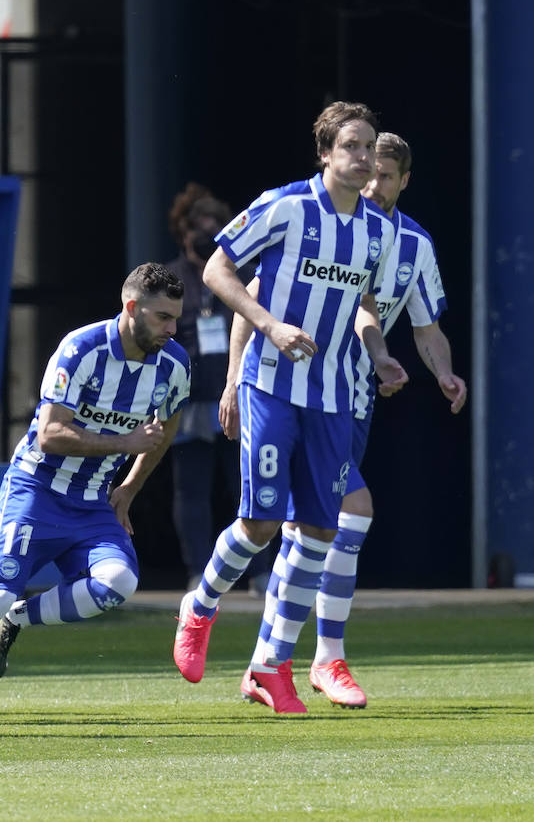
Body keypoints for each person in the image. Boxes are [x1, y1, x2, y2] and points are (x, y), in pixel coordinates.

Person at [172, 101, 408, 715]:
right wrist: (269, 326)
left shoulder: (378, 231)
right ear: (325, 153)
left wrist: (379, 355)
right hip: (271, 382)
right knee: (260, 524)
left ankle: (269, 665)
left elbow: (364, 305)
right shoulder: (287, 206)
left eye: (369, 148)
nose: (364, 159)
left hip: (334, 397)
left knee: (321, 528)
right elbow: (223, 270)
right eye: (352, 146)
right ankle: (199, 607)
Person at [223, 131, 466, 710]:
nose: (373, 183)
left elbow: (426, 326)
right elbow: (252, 297)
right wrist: (234, 378)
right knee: (344, 514)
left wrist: (444, 374)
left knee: (306, 531)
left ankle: (267, 663)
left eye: (386, 176)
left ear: (404, 181)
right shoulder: (313, 219)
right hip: (293, 391)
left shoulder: (412, 245)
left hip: (352, 402)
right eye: (368, 169)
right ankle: (323, 656)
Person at [0, 263, 190, 723]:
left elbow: (169, 423)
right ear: (131, 307)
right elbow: (50, 435)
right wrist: (124, 444)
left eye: (175, 318)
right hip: (36, 491)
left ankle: (16, 618)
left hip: (93, 501)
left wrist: (130, 487)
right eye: (162, 317)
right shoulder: (80, 349)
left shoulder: (173, 363)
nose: (172, 329)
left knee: (119, 584)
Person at [162, 184, 266, 591]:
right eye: (198, 224)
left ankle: (258, 573)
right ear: (182, 230)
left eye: (214, 223)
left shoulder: (237, 276)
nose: (206, 231)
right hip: (188, 400)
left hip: (239, 394)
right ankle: (198, 573)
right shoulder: (170, 278)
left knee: (247, 486)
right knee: (191, 491)